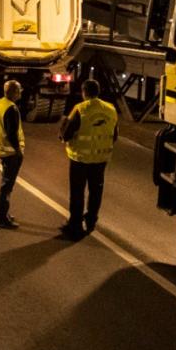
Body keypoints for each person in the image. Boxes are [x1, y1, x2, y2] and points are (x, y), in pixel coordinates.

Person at [58, 78, 118, 239]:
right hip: (101, 159)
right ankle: (91, 221)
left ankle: (75, 224)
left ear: (84, 92)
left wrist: (62, 132)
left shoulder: (80, 109)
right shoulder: (111, 109)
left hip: (80, 159)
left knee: (77, 192)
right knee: (96, 191)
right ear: (98, 92)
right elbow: (114, 135)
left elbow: (66, 134)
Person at [0, 80, 26, 228]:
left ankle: (0, 212)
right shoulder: (12, 109)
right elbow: (12, 133)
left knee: (5, 182)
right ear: (13, 92)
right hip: (10, 152)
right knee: (7, 186)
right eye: (19, 90)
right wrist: (18, 151)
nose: (20, 92)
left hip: (1, 149)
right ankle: (0, 218)